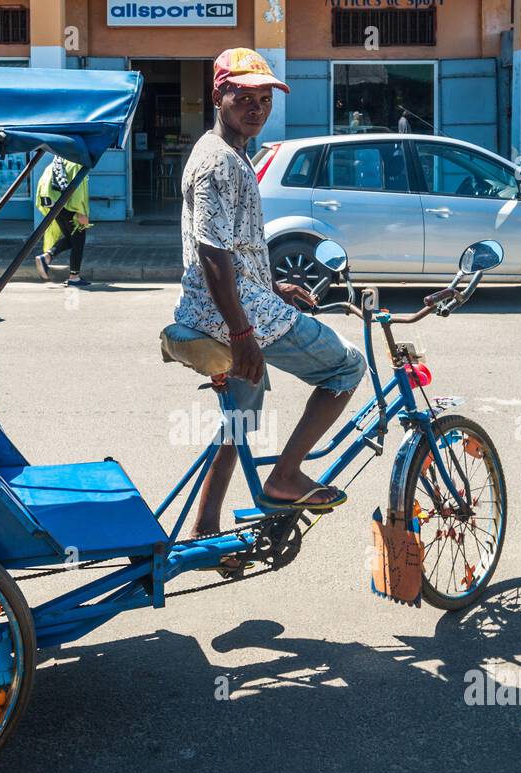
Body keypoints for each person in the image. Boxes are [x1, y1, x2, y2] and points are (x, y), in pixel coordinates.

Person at [172, 48, 367, 549]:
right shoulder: (221, 162)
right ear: (219, 95)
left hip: (222, 305)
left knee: (240, 423)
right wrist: (243, 334)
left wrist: (271, 285)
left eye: (264, 99)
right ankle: (286, 476)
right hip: (233, 315)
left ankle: (205, 530)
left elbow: (230, 248)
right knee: (347, 367)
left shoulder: (224, 153)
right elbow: (213, 253)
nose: (256, 108)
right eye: (243, 97)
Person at [33, 156, 91, 287]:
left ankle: (46, 257)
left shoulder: (57, 161)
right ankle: (74, 277)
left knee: (71, 238)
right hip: (67, 205)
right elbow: (77, 190)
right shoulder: (76, 163)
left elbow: (41, 185)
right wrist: (80, 212)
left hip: (53, 204)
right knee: (78, 239)